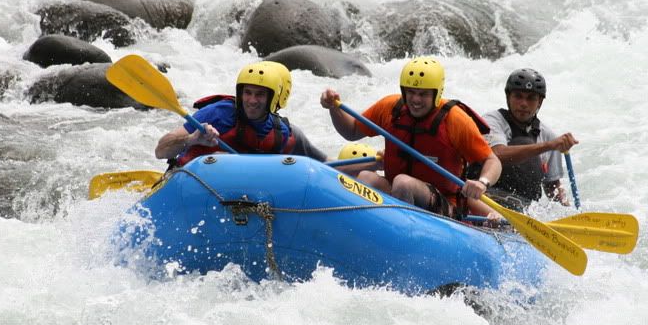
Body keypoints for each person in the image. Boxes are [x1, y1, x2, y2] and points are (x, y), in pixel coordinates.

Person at [320, 56, 502, 218]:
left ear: (436, 94)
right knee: (367, 177)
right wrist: (334, 109)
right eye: (411, 92)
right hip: (399, 195)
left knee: (403, 182)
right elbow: (351, 132)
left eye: (423, 94)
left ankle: (399, 234)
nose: (415, 100)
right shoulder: (390, 108)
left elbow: (492, 161)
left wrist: (482, 182)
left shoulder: (455, 119)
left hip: (444, 205)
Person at [155, 61, 326, 166]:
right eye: (247, 93)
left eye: (259, 94)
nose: (251, 100)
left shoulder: (281, 132)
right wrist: (192, 139)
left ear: (271, 99)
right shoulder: (219, 113)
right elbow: (160, 151)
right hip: (191, 184)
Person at [472, 68, 578, 210]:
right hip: (485, 199)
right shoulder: (492, 120)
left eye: (531, 98)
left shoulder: (547, 135)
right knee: (524, 143)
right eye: (518, 96)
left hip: (523, 209)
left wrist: (567, 209)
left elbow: (552, 187)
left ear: (539, 102)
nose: (523, 103)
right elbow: (498, 154)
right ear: (508, 97)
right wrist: (548, 146)